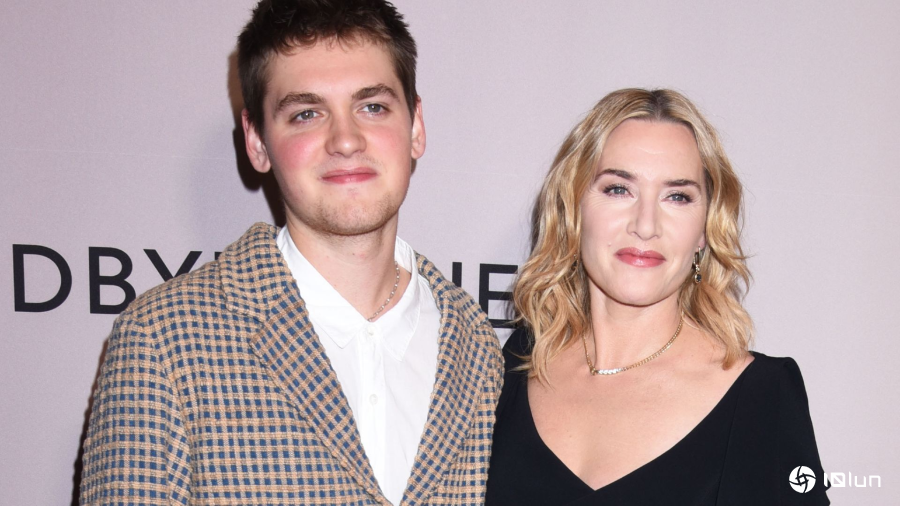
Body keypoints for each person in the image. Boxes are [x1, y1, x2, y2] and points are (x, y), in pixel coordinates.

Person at [79, 1, 502, 504]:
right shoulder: (163, 342)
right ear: (257, 142)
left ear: (416, 127)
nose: (346, 140)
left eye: (372, 107)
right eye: (306, 114)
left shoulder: (476, 345)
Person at [486, 89, 829, 505]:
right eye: (618, 189)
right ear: (573, 209)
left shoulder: (762, 398)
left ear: (704, 229)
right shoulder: (517, 364)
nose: (646, 225)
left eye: (677, 196)